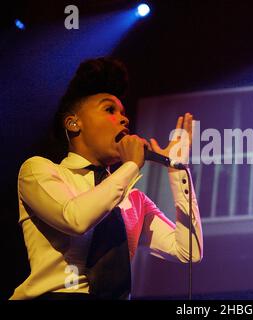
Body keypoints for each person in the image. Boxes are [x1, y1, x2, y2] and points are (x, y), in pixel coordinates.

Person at [9, 57, 203, 300]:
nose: (125, 119)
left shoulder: (134, 199)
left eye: (123, 113)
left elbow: (189, 251)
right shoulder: (39, 171)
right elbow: (75, 219)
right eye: (110, 110)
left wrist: (177, 169)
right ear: (73, 123)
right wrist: (131, 164)